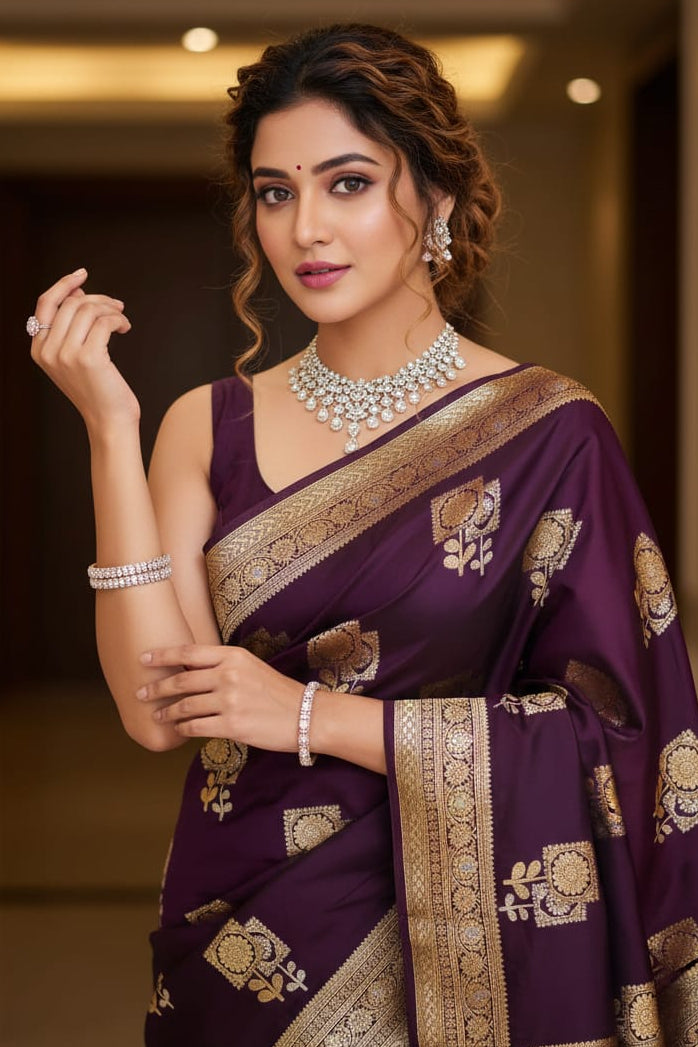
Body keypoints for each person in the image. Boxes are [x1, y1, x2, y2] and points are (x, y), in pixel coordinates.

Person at [28, 22, 698, 1047]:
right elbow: (157, 713)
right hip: (247, 924)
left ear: (437, 198)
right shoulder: (208, 424)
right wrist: (110, 432)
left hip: (475, 942)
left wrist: (310, 716)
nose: (305, 229)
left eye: (347, 183)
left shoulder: (549, 433)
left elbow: (621, 731)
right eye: (275, 192)